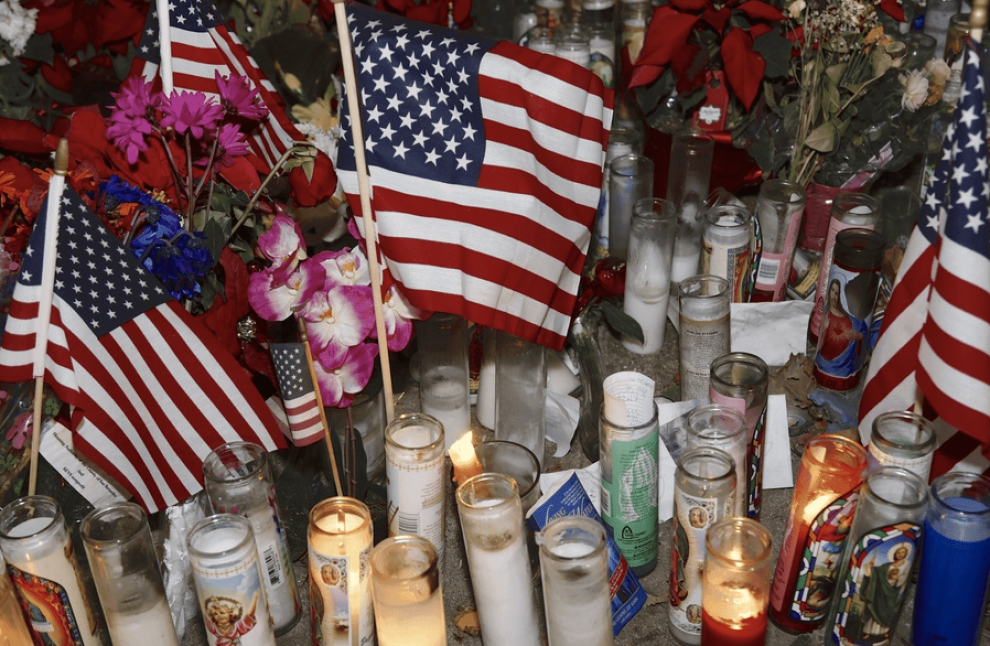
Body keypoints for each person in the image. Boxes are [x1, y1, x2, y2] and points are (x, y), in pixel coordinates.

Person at [814, 278, 868, 387]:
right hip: (824, 366)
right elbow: (821, 346)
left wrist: (859, 336)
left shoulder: (851, 320)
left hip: (846, 372)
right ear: (828, 291)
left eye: (837, 292)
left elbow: (865, 336)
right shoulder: (826, 316)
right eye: (833, 291)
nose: (835, 295)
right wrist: (824, 330)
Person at [858, 543, 912, 643]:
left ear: (906, 554)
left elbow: (903, 579)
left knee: (887, 612)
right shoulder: (887, 565)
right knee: (875, 609)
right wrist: (871, 566)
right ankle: (867, 631)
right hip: (880, 593)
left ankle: (884, 632)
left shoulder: (907, 565)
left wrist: (897, 579)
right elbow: (877, 573)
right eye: (898, 552)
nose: (900, 554)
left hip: (891, 594)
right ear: (895, 554)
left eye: (902, 552)